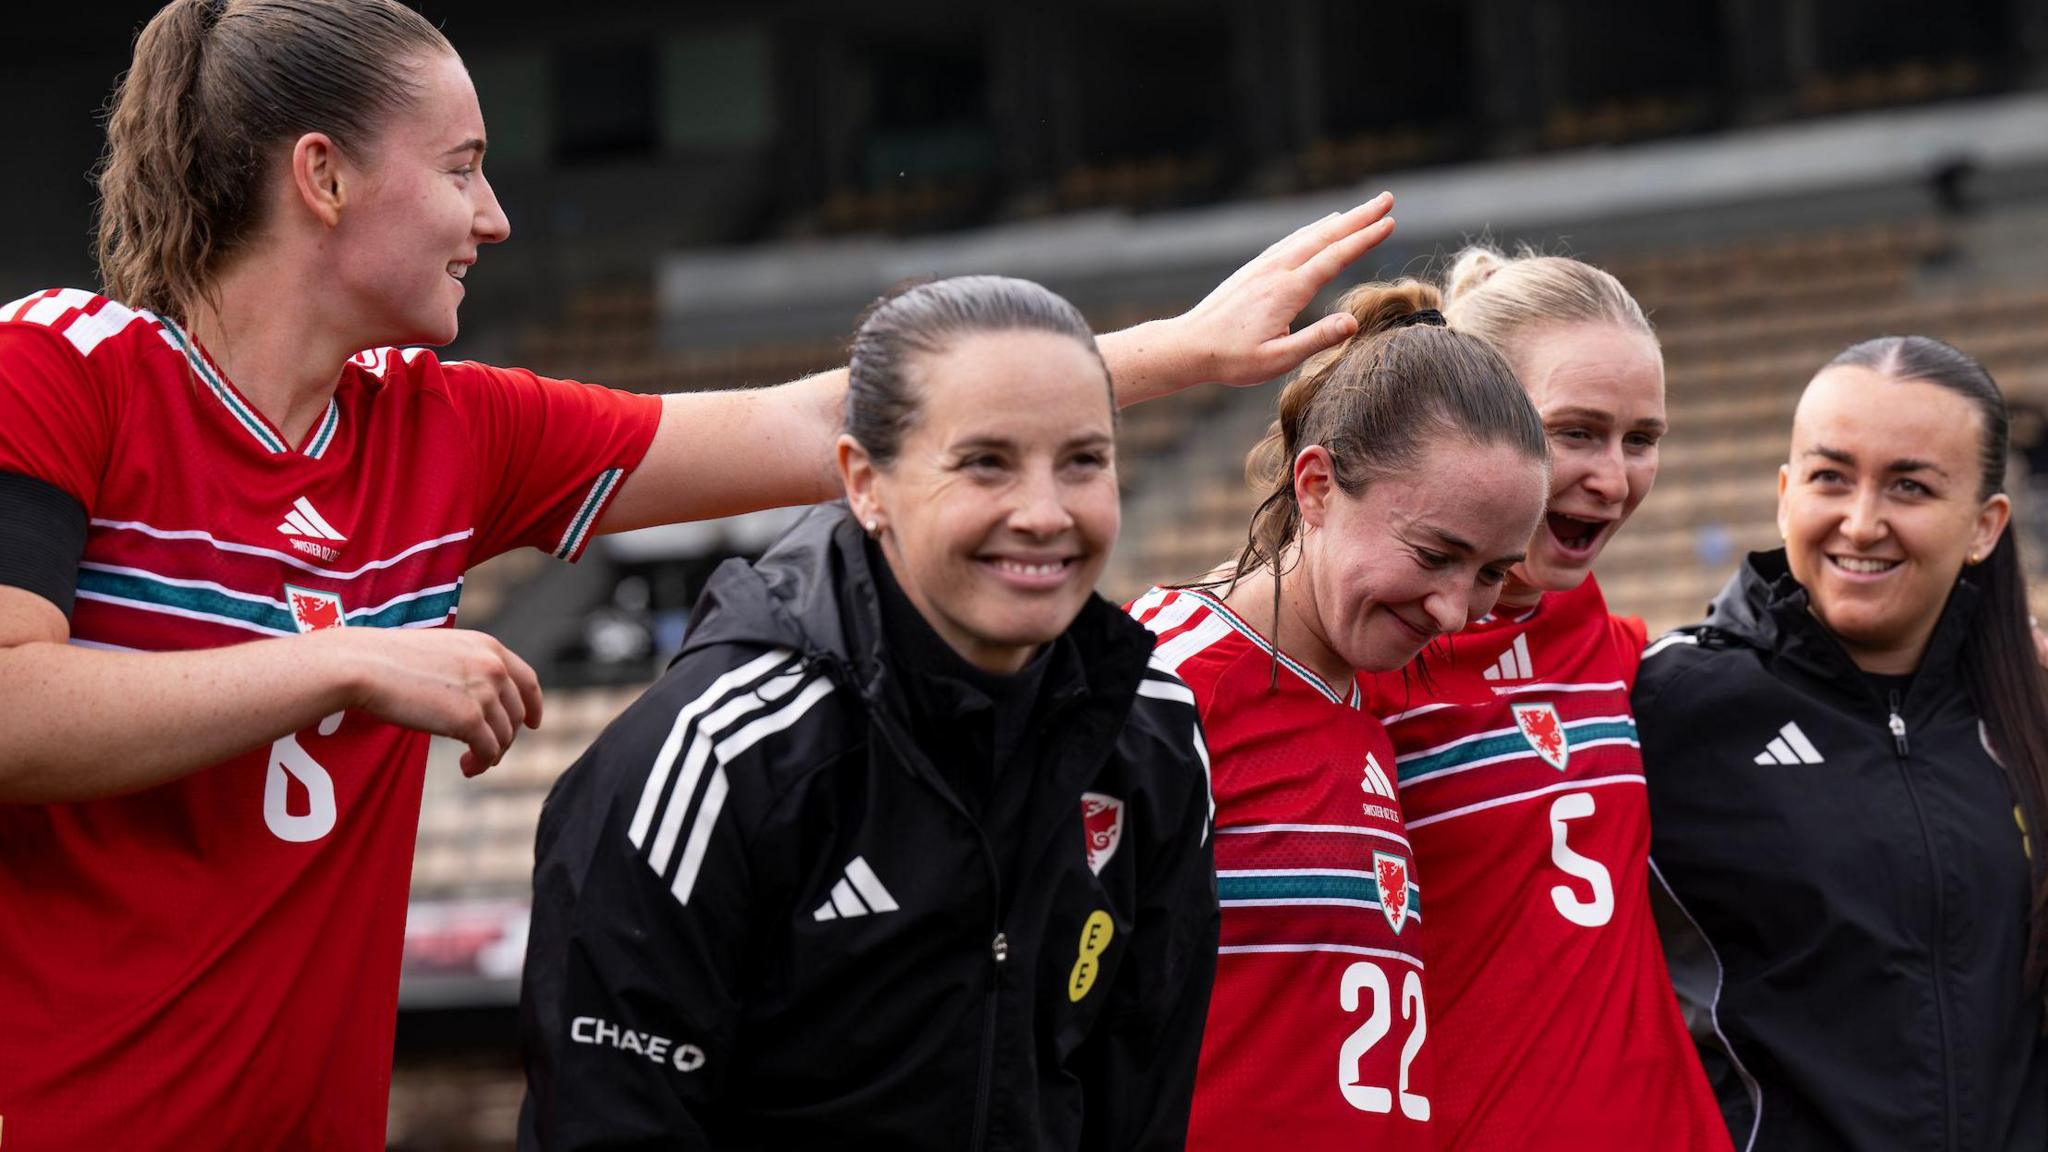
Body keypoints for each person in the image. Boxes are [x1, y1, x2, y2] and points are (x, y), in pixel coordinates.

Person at [0, 1, 1396, 1143]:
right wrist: (348, 656)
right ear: (323, 176)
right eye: (465, 165)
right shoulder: (58, 371)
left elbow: (815, 424)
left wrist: (1177, 350)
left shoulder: (444, 427)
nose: (493, 220)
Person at [520, 276, 1218, 1149]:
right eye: (985, 463)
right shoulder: (715, 754)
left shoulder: (1151, 732)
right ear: (865, 482)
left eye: (1084, 460)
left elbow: (1138, 1101)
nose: (1045, 514)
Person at [1128, 281, 1551, 1150]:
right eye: (1436, 555)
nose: (1454, 611)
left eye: (1490, 574)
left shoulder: (1372, 697)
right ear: (1315, 487)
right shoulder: (1161, 685)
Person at [1359, 247, 1730, 1149]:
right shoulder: (1351, 661)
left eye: (1640, 439)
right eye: (1575, 432)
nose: (1613, 479)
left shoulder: (1605, 641)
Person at [1638, 335, 2048, 1150]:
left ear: (1984, 525)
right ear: (1786, 493)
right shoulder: (1670, 704)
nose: (1862, 522)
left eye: (1910, 486)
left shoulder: (2028, 715)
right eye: (1832, 478)